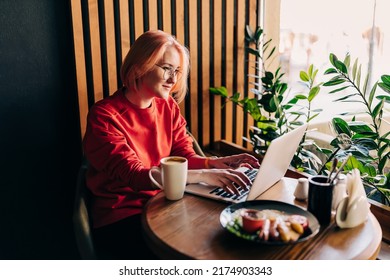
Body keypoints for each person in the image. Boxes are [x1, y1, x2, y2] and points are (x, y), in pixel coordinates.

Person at [82, 30, 260, 260]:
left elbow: (183, 155)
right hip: (122, 217)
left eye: (177, 71)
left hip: (166, 202)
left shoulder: (168, 107)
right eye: (166, 68)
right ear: (139, 66)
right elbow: (136, 176)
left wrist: (217, 164)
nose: (173, 79)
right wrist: (204, 175)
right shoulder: (105, 116)